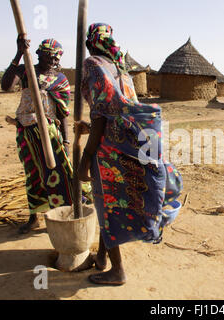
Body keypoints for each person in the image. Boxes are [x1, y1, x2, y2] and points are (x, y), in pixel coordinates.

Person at [77, 23, 183, 285]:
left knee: (107, 204)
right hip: (128, 148)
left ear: (90, 43)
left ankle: (118, 271)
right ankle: (102, 259)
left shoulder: (93, 65)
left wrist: (84, 158)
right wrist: (90, 127)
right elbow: (121, 115)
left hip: (108, 152)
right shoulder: (120, 69)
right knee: (109, 205)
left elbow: (103, 116)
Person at [1, 36, 74, 234]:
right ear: (38, 55)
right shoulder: (26, 72)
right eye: (46, 56)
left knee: (58, 174)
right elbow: (6, 86)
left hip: (50, 133)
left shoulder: (61, 80)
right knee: (33, 174)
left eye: (54, 58)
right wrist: (18, 53)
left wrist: (66, 140)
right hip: (26, 132)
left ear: (59, 59)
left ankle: (62, 215)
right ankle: (34, 217)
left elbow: (63, 113)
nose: (50, 61)